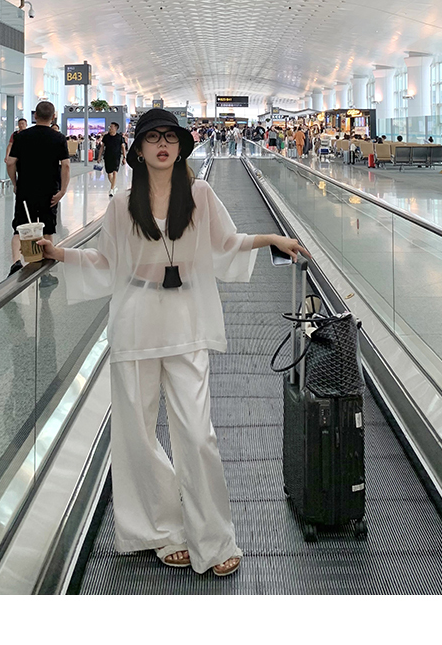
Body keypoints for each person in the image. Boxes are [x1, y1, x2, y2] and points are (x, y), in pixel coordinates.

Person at [38, 109, 311, 578]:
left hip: (185, 321)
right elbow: (106, 262)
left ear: (181, 147)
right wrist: (59, 253)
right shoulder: (123, 203)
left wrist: (271, 238)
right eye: (153, 138)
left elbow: (226, 243)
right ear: (139, 150)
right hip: (136, 321)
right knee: (137, 433)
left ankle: (213, 537)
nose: (162, 145)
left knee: (197, 434)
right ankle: (162, 529)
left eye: (170, 138)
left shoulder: (199, 194)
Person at [6, 100, 70, 277]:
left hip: (25, 190)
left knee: (20, 226)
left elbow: (10, 162)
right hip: (50, 191)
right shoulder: (59, 138)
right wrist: (62, 191)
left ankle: (16, 262)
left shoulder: (21, 136)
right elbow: (65, 166)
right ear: (53, 116)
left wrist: (15, 183)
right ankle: (45, 270)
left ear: (35, 115)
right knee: (47, 229)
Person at [101, 121, 128, 197]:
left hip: (116, 157)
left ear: (115, 128)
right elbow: (102, 147)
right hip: (107, 156)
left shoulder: (119, 137)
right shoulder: (106, 137)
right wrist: (99, 157)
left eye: (111, 127)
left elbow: (123, 147)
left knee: (115, 172)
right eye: (110, 127)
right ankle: (114, 186)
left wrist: (124, 157)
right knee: (109, 173)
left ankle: (112, 189)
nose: (110, 128)